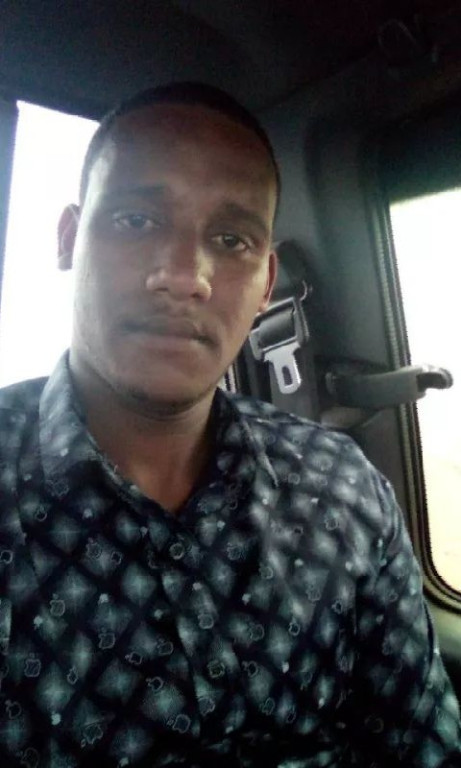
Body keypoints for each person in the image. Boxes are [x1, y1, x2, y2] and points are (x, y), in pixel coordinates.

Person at [0, 82, 459, 768]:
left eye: (230, 239)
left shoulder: (341, 491)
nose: (185, 276)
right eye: (135, 220)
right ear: (69, 239)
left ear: (265, 281)